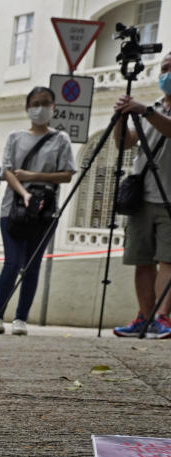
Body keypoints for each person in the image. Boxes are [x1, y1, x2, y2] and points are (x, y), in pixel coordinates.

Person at [0, 87, 75, 336]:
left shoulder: (60, 139)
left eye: (45, 103)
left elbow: (67, 174)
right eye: (35, 103)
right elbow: (7, 170)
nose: (40, 108)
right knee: (12, 262)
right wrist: (24, 191)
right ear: (27, 108)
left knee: (32, 264)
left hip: (45, 210)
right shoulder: (16, 137)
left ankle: (21, 318)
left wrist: (33, 177)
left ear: (53, 107)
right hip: (13, 208)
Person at [111, 51, 171, 339]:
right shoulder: (155, 106)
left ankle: (161, 318)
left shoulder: (151, 110)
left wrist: (144, 110)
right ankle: (144, 318)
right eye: (164, 68)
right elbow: (125, 143)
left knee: (168, 260)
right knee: (142, 259)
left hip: (169, 197)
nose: (166, 74)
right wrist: (122, 117)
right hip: (142, 196)